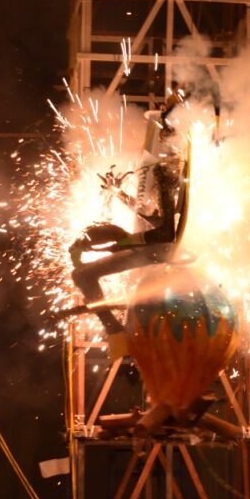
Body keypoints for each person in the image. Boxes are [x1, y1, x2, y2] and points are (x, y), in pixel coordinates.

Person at [69, 101, 186, 357]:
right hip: (151, 248)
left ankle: (115, 332)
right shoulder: (162, 174)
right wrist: (119, 194)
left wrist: (122, 243)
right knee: (81, 273)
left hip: (158, 250)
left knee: (82, 276)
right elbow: (151, 214)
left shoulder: (167, 176)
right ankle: (118, 333)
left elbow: (165, 232)